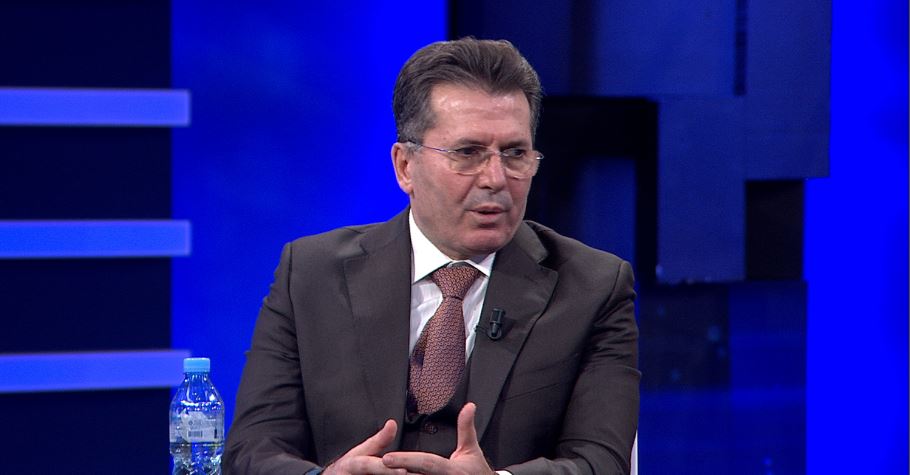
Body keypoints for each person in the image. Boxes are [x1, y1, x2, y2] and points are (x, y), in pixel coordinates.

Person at [223, 38, 639, 475]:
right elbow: (251, 452)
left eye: (515, 153)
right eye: (468, 153)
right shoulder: (310, 275)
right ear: (405, 166)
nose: (496, 178)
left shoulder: (593, 287)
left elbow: (602, 462)